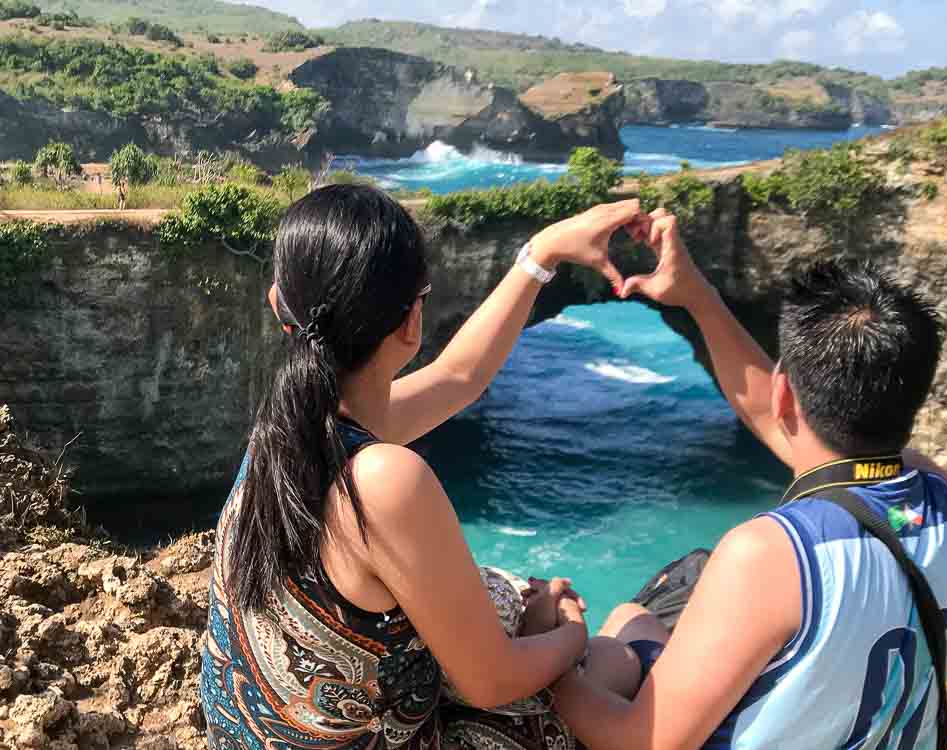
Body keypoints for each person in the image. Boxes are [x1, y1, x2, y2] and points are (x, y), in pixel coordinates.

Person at [200, 184, 643, 749]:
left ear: (276, 303)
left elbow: (460, 377)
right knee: (616, 663)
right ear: (412, 323)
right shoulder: (385, 480)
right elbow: (491, 681)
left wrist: (542, 253)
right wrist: (570, 633)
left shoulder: (284, 429)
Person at [552, 210, 947, 750]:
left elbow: (642, 741)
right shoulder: (943, 500)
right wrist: (696, 295)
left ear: (785, 392)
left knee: (630, 620)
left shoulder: (769, 552)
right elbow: (775, 416)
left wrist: (558, 655)